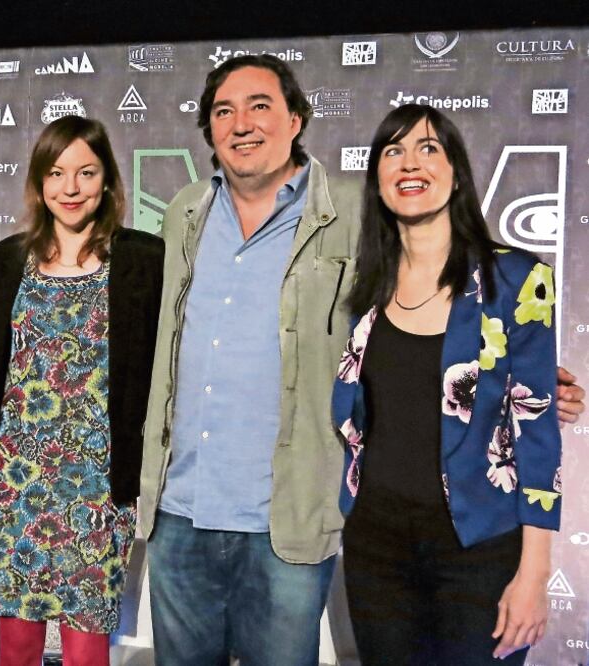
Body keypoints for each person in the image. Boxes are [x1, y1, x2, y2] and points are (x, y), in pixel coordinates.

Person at [136, 54, 585, 665]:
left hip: (297, 517)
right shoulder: (184, 214)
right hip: (192, 514)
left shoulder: (351, 214)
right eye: (224, 111)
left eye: (260, 106)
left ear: (296, 119)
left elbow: (471, 335)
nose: (241, 123)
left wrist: (526, 382)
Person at [333, 103, 561, 664]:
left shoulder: (517, 279)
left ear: (456, 172)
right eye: (393, 151)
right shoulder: (364, 286)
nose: (410, 163)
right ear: (378, 180)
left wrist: (533, 574)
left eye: (428, 148)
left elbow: (538, 433)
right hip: (376, 549)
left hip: (480, 550)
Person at [0, 116, 163, 665]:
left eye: (85, 172)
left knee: (85, 649)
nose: (71, 188)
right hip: (15, 482)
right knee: (18, 648)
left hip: (96, 482)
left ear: (107, 181)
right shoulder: (6, 259)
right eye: (56, 173)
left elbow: (152, 368)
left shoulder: (143, 260)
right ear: (39, 182)